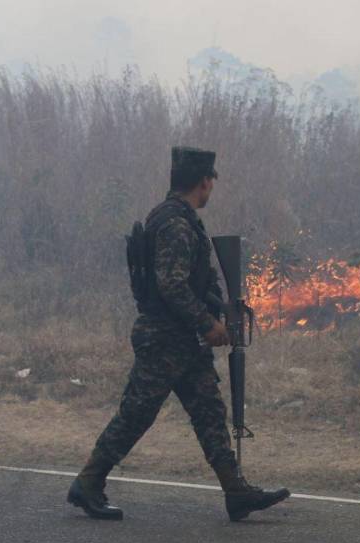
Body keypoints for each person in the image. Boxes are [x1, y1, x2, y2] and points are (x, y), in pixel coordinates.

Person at [67, 146, 290, 521]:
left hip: (183, 339)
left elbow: (193, 282)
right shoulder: (175, 225)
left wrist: (222, 308)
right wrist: (208, 323)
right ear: (204, 182)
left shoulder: (177, 219)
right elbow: (171, 285)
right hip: (165, 339)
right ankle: (87, 483)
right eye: (211, 182)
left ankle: (236, 492)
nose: (211, 188)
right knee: (136, 414)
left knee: (209, 412)